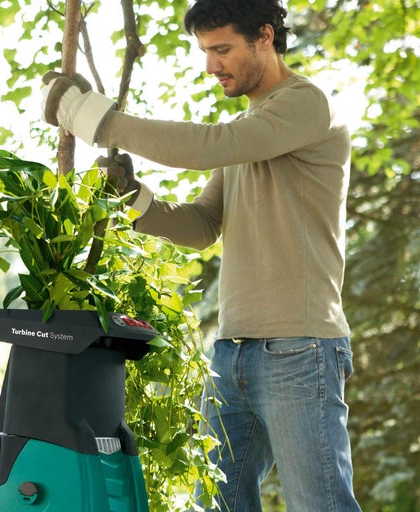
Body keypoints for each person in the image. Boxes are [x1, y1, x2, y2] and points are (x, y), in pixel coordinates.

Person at [40, 1, 362, 510]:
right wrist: (133, 198)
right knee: (219, 502)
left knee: (319, 505)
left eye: (222, 49)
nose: (211, 65)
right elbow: (202, 225)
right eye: (206, 52)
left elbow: (211, 145)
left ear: (264, 37)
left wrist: (94, 119)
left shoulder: (307, 105)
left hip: (299, 350)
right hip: (232, 350)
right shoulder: (249, 131)